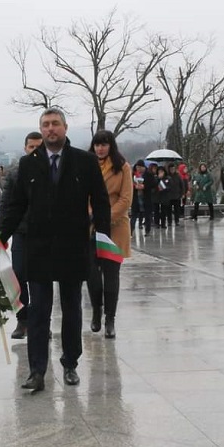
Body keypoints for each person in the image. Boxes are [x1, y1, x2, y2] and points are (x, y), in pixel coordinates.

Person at [0, 107, 111, 393]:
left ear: (65, 127)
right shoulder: (28, 164)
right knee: (39, 311)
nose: (50, 129)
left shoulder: (84, 162)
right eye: (45, 124)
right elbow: (15, 206)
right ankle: (37, 371)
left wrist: (103, 240)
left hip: (73, 247)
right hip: (39, 247)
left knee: (72, 308)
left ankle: (70, 362)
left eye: (55, 124)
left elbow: (100, 203)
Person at [87, 130, 132, 339]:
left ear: (111, 146)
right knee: (92, 275)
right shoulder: (87, 164)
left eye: (104, 144)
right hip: (89, 228)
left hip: (114, 228)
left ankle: (110, 319)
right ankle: (96, 310)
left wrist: (104, 217)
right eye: (97, 144)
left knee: (111, 276)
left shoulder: (122, 167)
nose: (100, 148)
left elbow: (125, 200)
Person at [0, 131, 43, 339]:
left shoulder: (50, 173)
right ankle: (22, 320)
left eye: (38, 147)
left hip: (44, 235)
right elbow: (5, 204)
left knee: (42, 279)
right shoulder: (15, 174)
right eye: (31, 147)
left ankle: (42, 322)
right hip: (20, 233)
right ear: (25, 148)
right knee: (17, 275)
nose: (35, 151)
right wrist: (0, 234)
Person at [130, 159, 156, 236]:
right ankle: (131, 231)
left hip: (146, 197)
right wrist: (135, 187)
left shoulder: (149, 174)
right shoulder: (133, 175)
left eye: (141, 167)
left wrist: (144, 186)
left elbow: (153, 184)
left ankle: (147, 230)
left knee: (147, 215)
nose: (139, 169)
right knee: (134, 215)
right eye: (137, 167)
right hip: (136, 198)